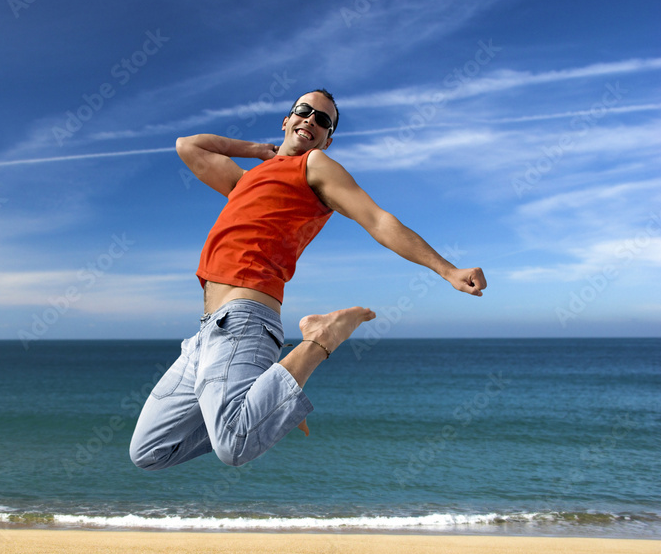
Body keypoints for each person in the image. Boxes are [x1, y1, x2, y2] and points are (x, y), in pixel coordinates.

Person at [129, 89, 486, 470]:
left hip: (245, 319)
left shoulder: (313, 166)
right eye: (303, 111)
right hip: (205, 335)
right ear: (287, 119)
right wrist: (258, 150)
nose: (311, 121)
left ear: (328, 139)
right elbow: (189, 146)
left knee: (233, 446)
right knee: (150, 452)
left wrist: (447, 270)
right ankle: (271, 400)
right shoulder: (245, 182)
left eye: (323, 120)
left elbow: (377, 220)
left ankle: (320, 338)